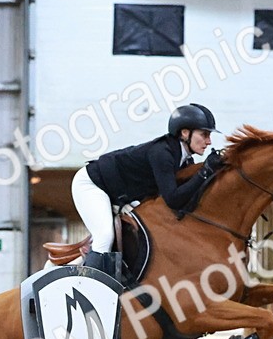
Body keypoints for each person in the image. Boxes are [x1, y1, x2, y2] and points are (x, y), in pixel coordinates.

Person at [73, 103, 224, 271]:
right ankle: (90, 291)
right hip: (92, 184)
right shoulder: (162, 153)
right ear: (185, 133)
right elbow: (173, 199)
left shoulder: (185, 160)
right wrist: (204, 172)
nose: (209, 141)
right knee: (104, 236)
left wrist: (210, 173)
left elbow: (185, 197)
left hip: (119, 193)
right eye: (204, 134)